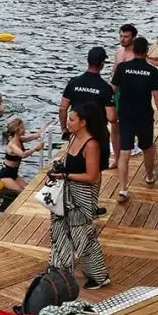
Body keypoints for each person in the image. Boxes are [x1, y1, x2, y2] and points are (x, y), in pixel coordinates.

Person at [47, 101, 110, 290]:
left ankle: (99, 276)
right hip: (65, 195)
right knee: (59, 231)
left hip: (80, 196)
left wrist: (66, 175)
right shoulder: (73, 138)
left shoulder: (91, 145)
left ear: (83, 122)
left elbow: (92, 176)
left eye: (72, 119)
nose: (68, 122)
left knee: (82, 235)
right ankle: (59, 269)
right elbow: (70, 161)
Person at [110, 37, 158, 202]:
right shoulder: (152, 71)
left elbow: (112, 91)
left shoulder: (122, 68)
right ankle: (149, 175)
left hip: (126, 115)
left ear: (134, 50)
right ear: (146, 51)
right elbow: (157, 97)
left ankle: (122, 189)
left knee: (124, 152)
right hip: (144, 116)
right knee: (147, 148)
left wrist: (109, 109)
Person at [59, 47, 117, 140]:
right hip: (97, 134)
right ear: (102, 64)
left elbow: (62, 109)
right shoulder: (105, 88)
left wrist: (64, 129)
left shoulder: (73, 82)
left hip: (77, 133)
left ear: (88, 61)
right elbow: (111, 117)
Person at [110, 24, 138, 164]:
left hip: (133, 94)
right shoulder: (119, 52)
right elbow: (114, 72)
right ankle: (116, 158)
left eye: (126, 37)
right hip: (118, 92)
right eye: (121, 36)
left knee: (134, 125)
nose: (122, 39)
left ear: (133, 37)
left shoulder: (137, 54)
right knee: (114, 124)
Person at [0, 118, 44, 193]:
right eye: (22, 127)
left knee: (28, 189)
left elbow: (32, 137)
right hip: (5, 175)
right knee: (21, 193)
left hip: (14, 174)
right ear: (16, 130)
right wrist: (35, 149)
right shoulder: (12, 145)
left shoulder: (20, 139)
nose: (24, 129)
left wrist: (39, 133)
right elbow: (23, 155)